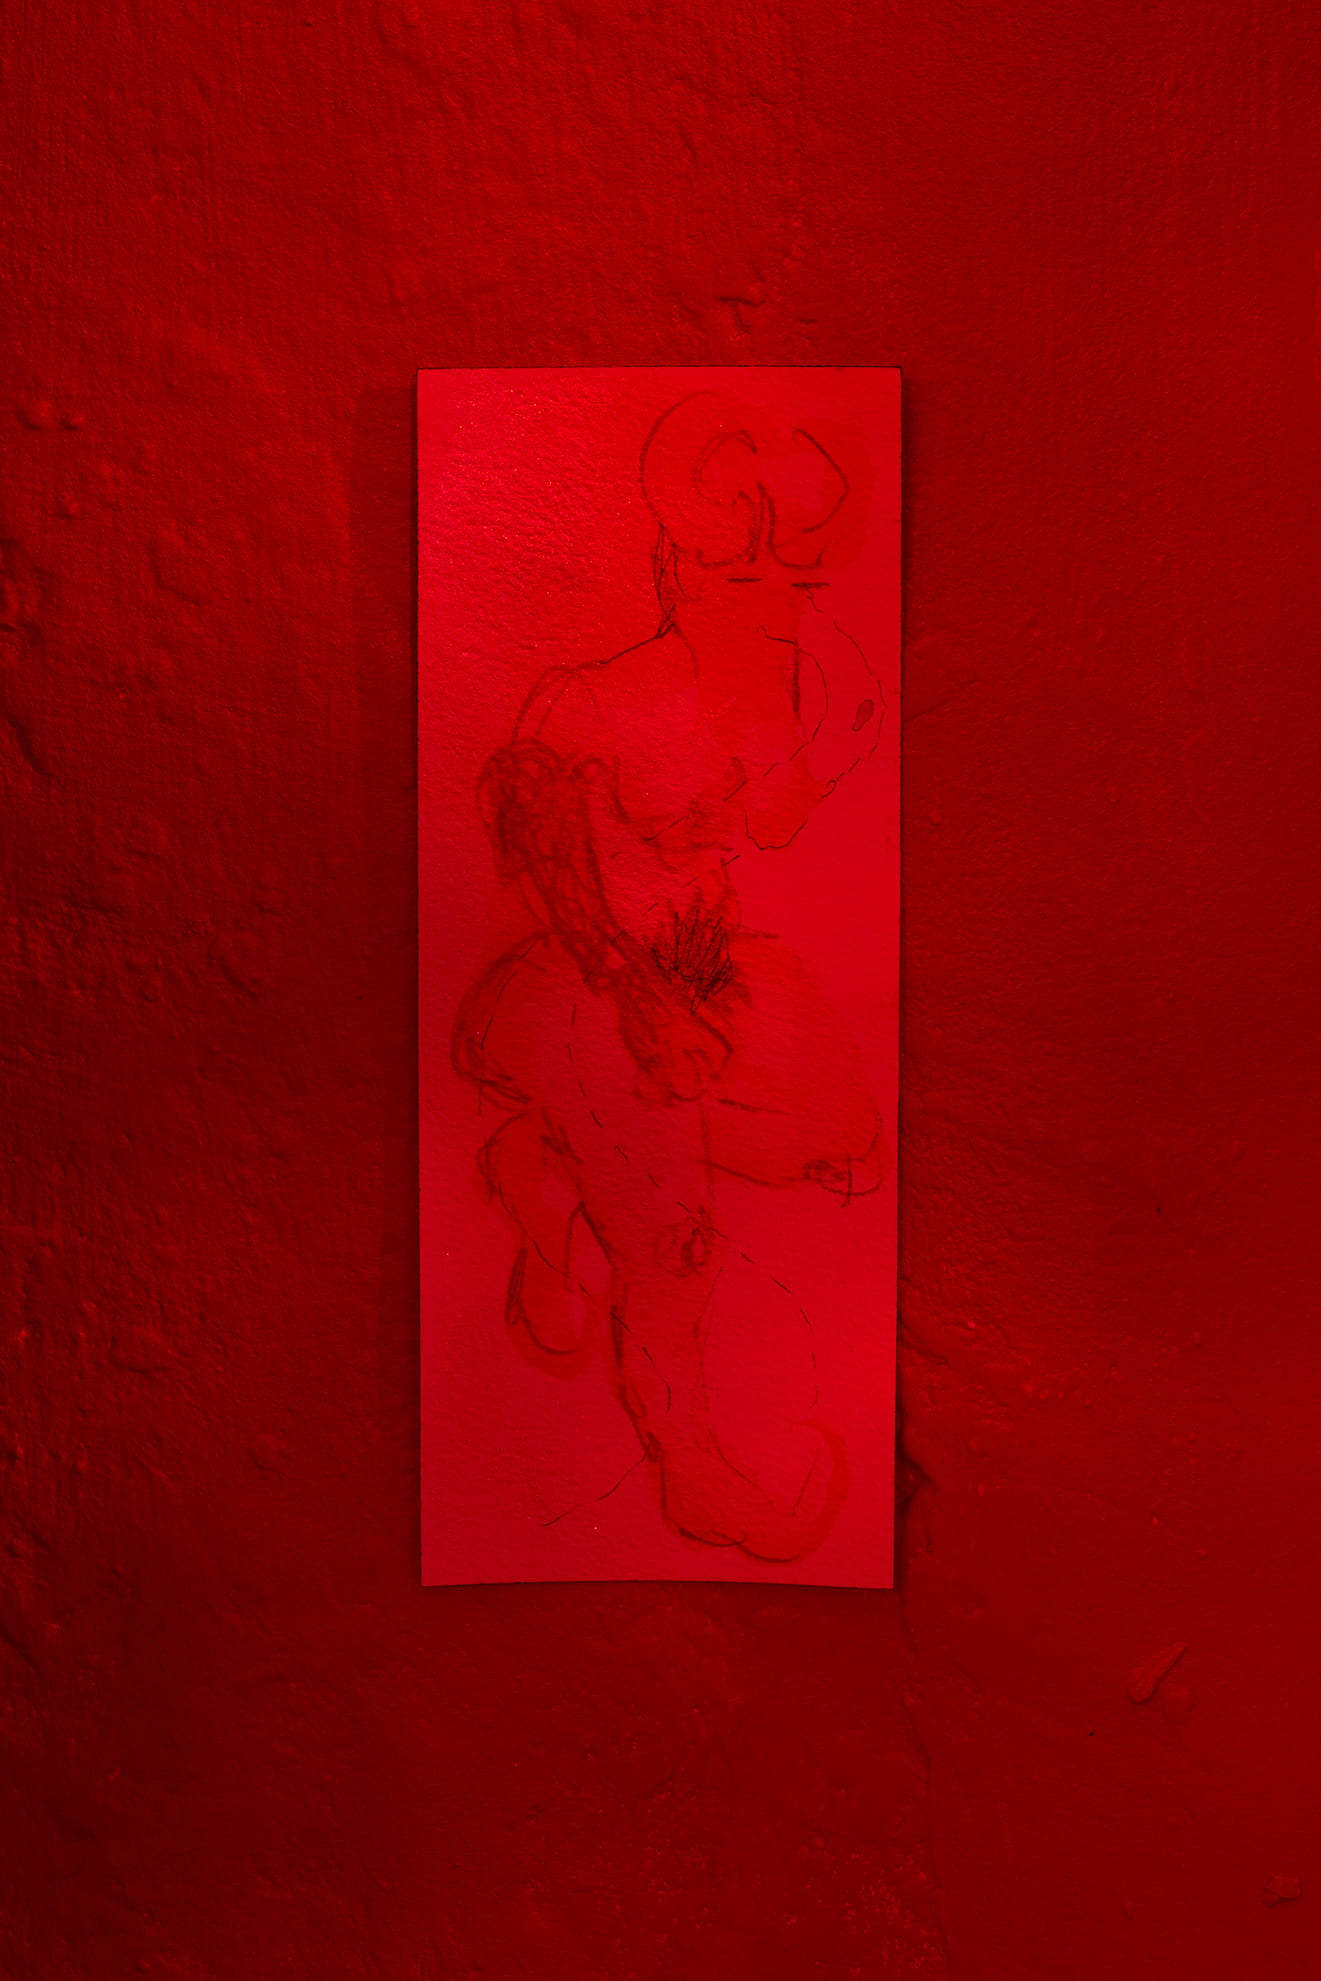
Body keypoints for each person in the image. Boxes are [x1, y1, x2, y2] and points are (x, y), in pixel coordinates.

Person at [453, 392, 885, 1561]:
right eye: (743, 579)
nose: (776, 608)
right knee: (675, 1238)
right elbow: (535, 840)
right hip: (582, 982)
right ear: (676, 571)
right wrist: (631, 992)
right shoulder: (597, 694)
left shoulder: (767, 689)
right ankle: (691, 1471)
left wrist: (838, 735)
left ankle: (543, 1170)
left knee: (840, 1133)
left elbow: (766, 823)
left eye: (795, 583)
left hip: (696, 976)